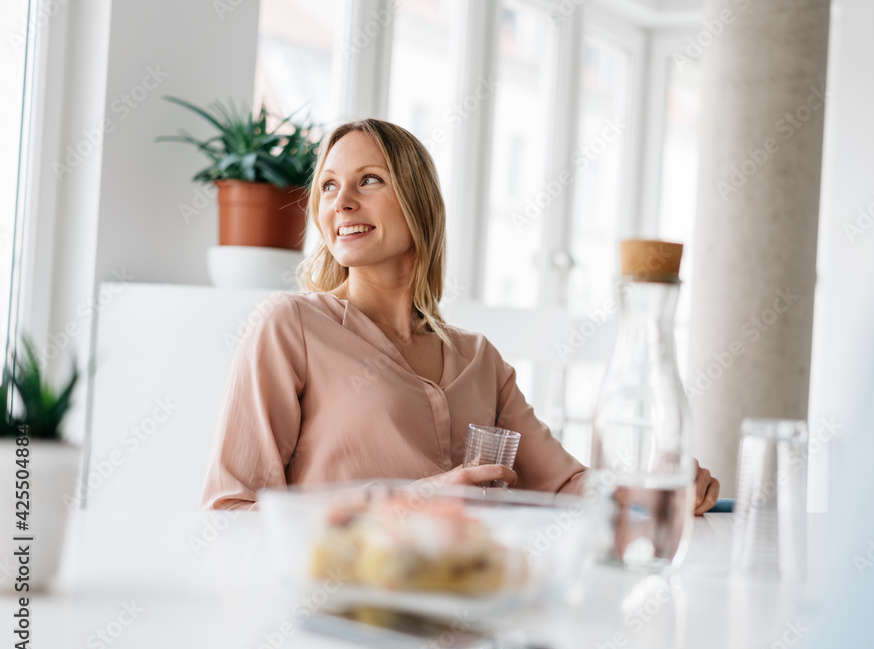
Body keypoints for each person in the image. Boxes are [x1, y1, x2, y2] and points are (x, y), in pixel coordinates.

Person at [200, 118, 720, 513]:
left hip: (468, 602)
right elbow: (233, 509)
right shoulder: (290, 327)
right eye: (330, 187)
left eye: (369, 181)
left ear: (418, 202)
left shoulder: (478, 359)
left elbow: (565, 486)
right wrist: (412, 501)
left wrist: (652, 490)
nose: (342, 203)